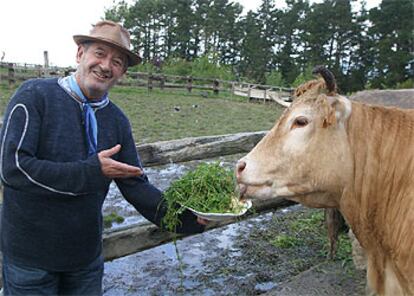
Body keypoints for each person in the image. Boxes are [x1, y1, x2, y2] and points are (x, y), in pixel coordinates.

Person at [0, 20, 206, 295]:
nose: (106, 65)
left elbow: (135, 184)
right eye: (99, 53)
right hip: (30, 258)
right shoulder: (35, 96)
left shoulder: (116, 121)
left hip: (85, 259)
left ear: (122, 72)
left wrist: (187, 219)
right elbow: (13, 169)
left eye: (118, 61)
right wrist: (91, 171)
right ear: (79, 54)